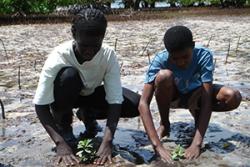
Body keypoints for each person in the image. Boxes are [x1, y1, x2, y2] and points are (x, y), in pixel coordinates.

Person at [33, 8, 140, 166]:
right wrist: (60, 143)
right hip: (66, 95)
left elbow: (115, 99)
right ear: (74, 35)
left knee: (135, 104)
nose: (89, 51)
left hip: (90, 94)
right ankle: (65, 128)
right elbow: (40, 105)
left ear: (102, 37)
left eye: (95, 46)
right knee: (68, 76)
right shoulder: (59, 56)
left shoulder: (108, 55)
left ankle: (88, 114)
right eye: (84, 46)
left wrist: (107, 141)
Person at [138, 25, 242, 163]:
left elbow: (206, 99)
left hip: (196, 95)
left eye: (185, 56)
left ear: (193, 46)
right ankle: (165, 124)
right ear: (168, 53)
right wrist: (157, 146)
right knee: (163, 76)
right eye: (175, 58)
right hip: (173, 96)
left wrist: (196, 143)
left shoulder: (204, 55)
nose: (181, 62)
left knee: (233, 96)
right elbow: (143, 103)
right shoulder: (160, 60)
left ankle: (197, 113)